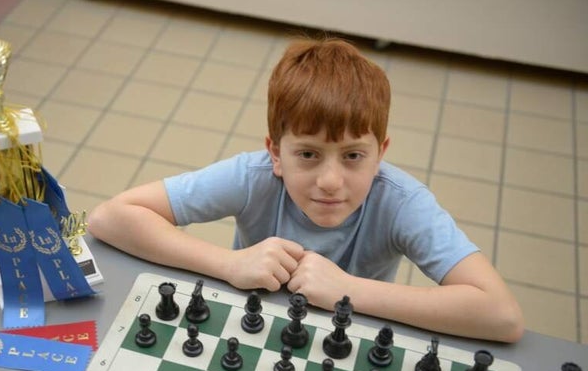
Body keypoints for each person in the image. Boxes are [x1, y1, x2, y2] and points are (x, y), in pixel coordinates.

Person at [88, 37, 524, 343]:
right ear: (276, 153)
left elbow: (501, 316)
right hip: (252, 332)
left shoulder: (401, 201)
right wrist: (229, 263)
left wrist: (347, 290)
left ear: (380, 153)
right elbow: (109, 217)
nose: (331, 181)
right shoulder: (255, 175)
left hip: (348, 345)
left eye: (353, 156)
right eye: (308, 155)